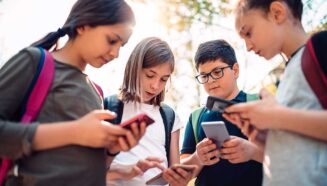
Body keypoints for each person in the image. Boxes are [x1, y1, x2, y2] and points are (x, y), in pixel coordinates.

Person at [0, 0, 146, 185]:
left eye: (121, 45)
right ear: (83, 25)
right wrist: (74, 132)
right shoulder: (34, 61)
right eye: (111, 40)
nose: (116, 53)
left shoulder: (96, 92)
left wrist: (110, 150)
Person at [223, 0, 327, 185]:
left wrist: (276, 117)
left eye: (248, 32)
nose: (248, 46)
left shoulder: (323, 46)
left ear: (277, 13)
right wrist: (267, 139)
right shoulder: (288, 73)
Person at [105, 37, 194, 186]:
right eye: (150, 75)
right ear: (135, 68)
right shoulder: (109, 107)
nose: (155, 85)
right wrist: (127, 172)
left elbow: (176, 177)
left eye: (164, 79)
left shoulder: (169, 116)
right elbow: (92, 171)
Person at [180, 39, 263, 186]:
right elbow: (181, 176)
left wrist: (252, 151)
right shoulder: (196, 117)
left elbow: (286, 154)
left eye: (217, 72)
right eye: (204, 76)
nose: (210, 80)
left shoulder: (259, 103)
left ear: (235, 70)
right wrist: (198, 158)